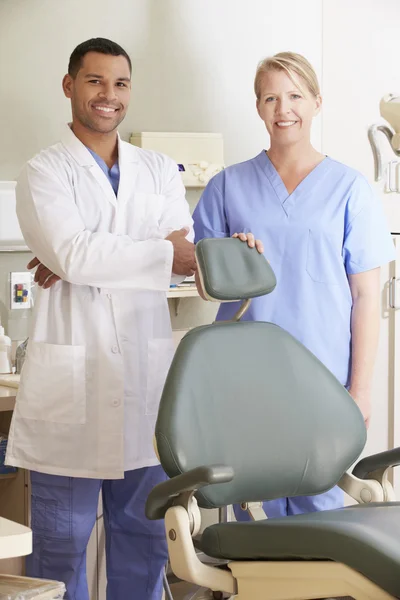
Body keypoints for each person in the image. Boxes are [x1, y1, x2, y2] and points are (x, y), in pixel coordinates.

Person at [5, 38, 196, 600]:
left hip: (144, 386)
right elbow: (78, 254)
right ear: (69, 86)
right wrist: (115, 256)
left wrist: (84, 259)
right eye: (94, 81)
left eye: (120, 83)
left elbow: (182, 254)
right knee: (59, 547)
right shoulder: (43, 171)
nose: (108, 95)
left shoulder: (160, 170)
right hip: (72, 392)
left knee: (143, 540)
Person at [193, 51, 395, 520]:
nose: (283, 109)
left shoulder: (349, 188)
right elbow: (206, 288)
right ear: (259, 107)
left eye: (295, 96)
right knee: (253, 510)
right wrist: (230, 257)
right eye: (271, 97)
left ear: (316, 103)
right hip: (246, 377)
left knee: (319, 510)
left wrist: (360, 391)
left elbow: (366, 296)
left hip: (322, 379)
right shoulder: (227, 186)